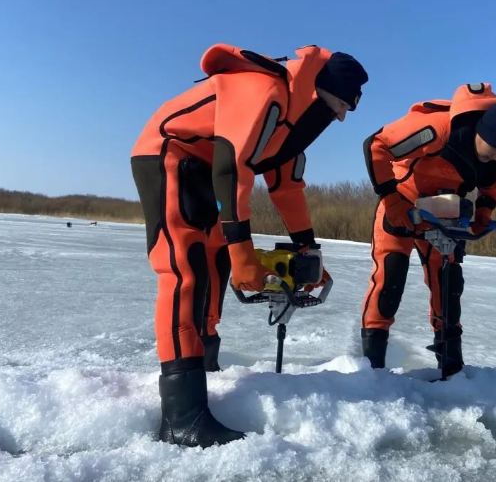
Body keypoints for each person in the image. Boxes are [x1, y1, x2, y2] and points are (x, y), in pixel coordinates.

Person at [130, 43, 368, 448]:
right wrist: (241, 247)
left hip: (211, 169)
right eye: (339, 104)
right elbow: (231, 165)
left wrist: (309, 251)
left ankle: (204, 368)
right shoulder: (264, 89)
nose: (342, 116)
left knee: (214, 267)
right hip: (169, 152)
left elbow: (288, 187)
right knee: (184, 267)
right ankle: (181, 419)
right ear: (316, 89)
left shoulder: (293, 124)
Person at [360, 83, 496, 377]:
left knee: (448, 286)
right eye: (488, 155)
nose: (493, 161)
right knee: (390, 280)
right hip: (401, 201)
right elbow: (376, 145)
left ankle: (451, 369)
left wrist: (485, 209)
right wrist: (391, 199)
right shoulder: (437, 127)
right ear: (479, 132)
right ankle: (371, 370)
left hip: (446, 212)